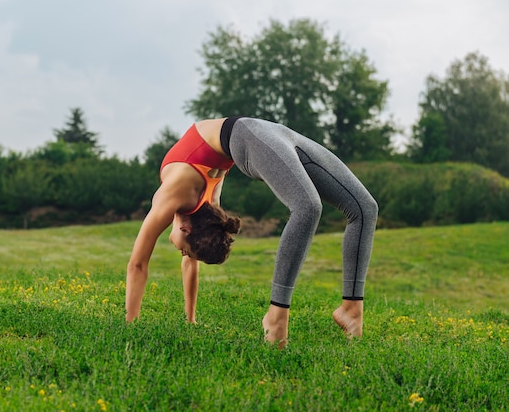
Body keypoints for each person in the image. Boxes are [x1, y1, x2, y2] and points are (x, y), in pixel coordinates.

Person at [125, 117, 378, 346]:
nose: (181, 252)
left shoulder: (171, 196)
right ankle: (350, 312)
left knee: (358, 208)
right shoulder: (207, 212)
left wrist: (131, 323)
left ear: (184, 228)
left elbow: (138, 263)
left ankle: (281, 317)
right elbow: (191, 262)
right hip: (264, 132)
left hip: (252, 134)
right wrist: (190, 319)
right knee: (314, 207)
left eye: (183, 250)